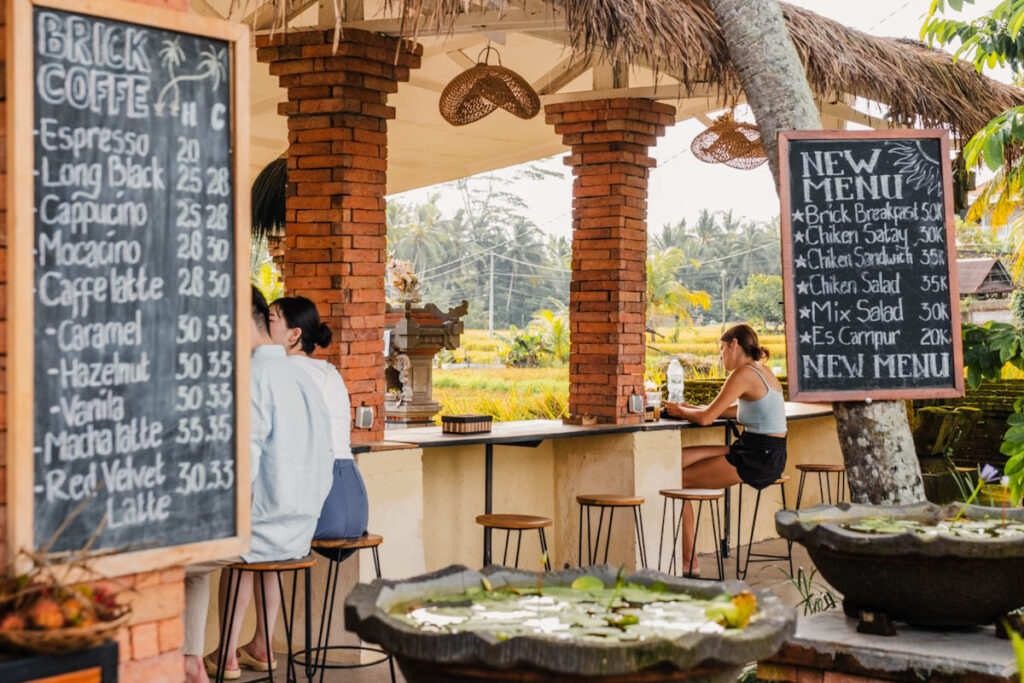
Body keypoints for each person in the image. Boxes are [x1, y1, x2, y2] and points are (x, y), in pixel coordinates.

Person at [183, 287, 334, 683]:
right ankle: (194, 660)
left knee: (166, 557)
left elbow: (239, 470)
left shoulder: (250, 378)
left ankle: (188, 661)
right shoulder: (303, 377)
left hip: (260, 535)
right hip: (299, 534)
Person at [663, 324, 787, 576]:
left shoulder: (743, 373)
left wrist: (680, 410)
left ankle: (690, 563)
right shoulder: (761, 370)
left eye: (721, 349)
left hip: (758, 457)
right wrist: (692, 408)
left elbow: (707, 419)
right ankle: (688, 558)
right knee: (677, 461)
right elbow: (734, 411)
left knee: (679, 482)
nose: (720, 356)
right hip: (757, 449)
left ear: (734, 344)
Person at [268, 296, 369, 556]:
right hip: (355, 503)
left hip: (325, 500)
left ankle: (235, 600)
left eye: (269, 320)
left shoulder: (282, 371)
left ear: (294, 334)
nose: (263, 328)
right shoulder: (328, 370)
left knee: (254, 540)